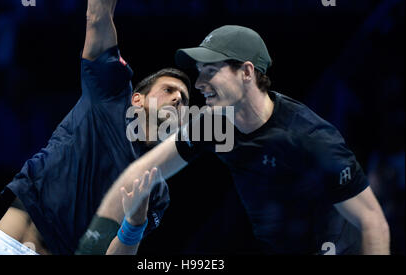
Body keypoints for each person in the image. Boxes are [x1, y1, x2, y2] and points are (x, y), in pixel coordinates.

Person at [96, 25, 390, 254]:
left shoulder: (311, 138)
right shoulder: (212, 125)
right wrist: (95, 240)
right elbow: (142, 172)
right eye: (199, 73)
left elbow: (372, 222)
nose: (199, 84)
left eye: (211, 71)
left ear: (247, 72)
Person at [0, 0, 190, 255]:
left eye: (185, 100)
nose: (177, 98)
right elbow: (97, 16)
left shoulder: (157, 189)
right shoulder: (109, 96)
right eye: (168, 90)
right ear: (137, 99)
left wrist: (135, 222)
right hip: (10, 246)